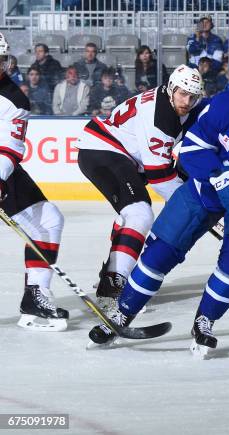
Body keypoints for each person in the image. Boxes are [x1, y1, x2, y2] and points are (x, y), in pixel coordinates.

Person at [87, 75, 229, 354]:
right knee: (158, 253)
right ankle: (122, 314)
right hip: (201, 192)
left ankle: (205, 321)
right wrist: (218, 174)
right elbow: (191, 149)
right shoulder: (225, 106)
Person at [76, 65, 205, 311]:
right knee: (139, 213)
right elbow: (160, 178)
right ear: (171, 89)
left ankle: (111, 274)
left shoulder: (176, 104)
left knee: (131, 215)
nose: (187, 101)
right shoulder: (161, 117)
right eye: (182, 94)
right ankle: (112, 289)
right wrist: (195, 205)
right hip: (104, 150)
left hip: (121, 155)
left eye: (192, 96)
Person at [0, 32, 68, 331]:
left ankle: (35, 296)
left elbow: (9, 147)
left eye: (2, 59)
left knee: (49, 220)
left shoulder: (14, 99)